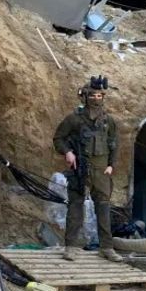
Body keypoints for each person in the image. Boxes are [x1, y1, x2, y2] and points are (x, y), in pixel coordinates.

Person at [52, 76, 123, 262]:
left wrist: (111, 165)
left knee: (103, 208)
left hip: (101, 170)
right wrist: (68, 152)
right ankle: (71, 247)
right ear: (85, 96)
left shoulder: (109, 121)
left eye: (100, 95)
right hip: (79, 167)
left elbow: (114, 144)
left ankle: (106, 247)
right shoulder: (74, 119)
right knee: (75, 207)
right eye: (92, 95)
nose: (96, 98)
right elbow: (58, 138)